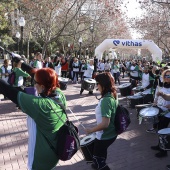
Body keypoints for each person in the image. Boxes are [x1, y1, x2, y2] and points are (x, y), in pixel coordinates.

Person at [0, 56, 67, 170]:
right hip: (53, 153)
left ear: (41, 86)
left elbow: (6, 89)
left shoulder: (41, 106)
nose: (33, 84)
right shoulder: (59, 94)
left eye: (35, 82)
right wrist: (21, 63)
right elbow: (37, 74)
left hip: (39, 160)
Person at [85, 72, 118, 170]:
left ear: (103, 84)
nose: (97, 86)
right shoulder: (113, 94)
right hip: (110, 133)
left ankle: (99, 165)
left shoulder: (106, 100)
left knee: (97, 160)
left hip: (104, 135)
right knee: (100, 155)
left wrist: (91, 130)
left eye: (98, 83)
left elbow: (105, 124)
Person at [150, 69, 170, 158]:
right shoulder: (160, 85)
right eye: (166, 76)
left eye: (169, 76)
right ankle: (159, 145)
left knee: (163, 131)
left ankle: (164, 151)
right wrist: (155, 101)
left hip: (167, 113)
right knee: (159, 129)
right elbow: (156, 95)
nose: (167, 77)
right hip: (159, 110)